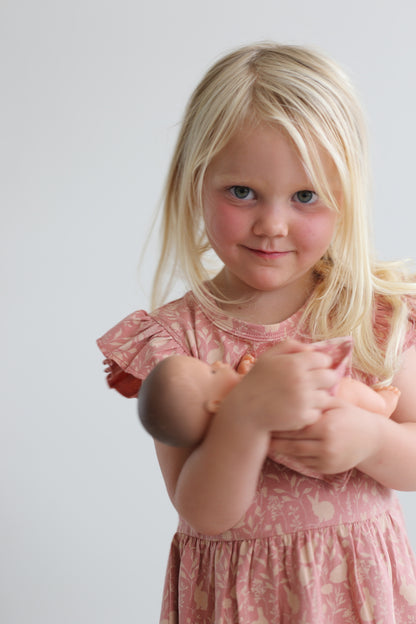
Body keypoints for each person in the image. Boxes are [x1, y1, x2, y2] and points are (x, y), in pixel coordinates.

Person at [97, 42, 416, 622]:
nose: (272, 224)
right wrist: (245, 416)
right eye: (241, 192)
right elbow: (203, 511)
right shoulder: (179, 342)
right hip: (235, 603)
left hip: (358, 594)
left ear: (345, 197)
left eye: (305, 196)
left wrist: (373, 442)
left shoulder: (370, 315)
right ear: (196, 182)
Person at [138, 344, 400, 449]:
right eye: (211, 372)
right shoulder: (243, 413)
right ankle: (379, 407)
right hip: (317, 407)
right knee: (343, 390)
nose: (217, 365)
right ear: (217, 404)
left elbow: (251, 381)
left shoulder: (239, 395)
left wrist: (246, 370)